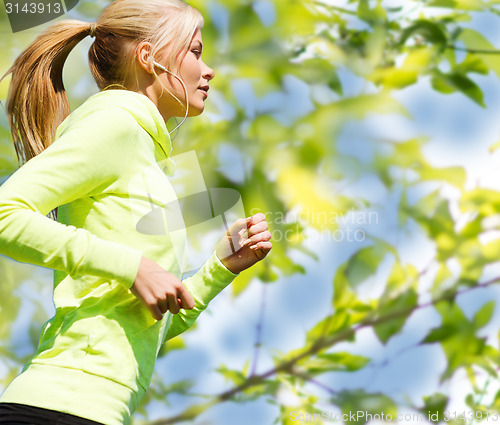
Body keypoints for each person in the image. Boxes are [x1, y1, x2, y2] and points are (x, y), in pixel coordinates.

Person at [0, 1, 272, 424]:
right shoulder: (116, 125)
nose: (209, 70)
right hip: (57, 406)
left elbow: (143, 325)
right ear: (148, 58)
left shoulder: (146, 152)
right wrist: (132, 267)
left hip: (99, 411)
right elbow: (6, 214)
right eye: (195, 52)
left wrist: (219, 268)